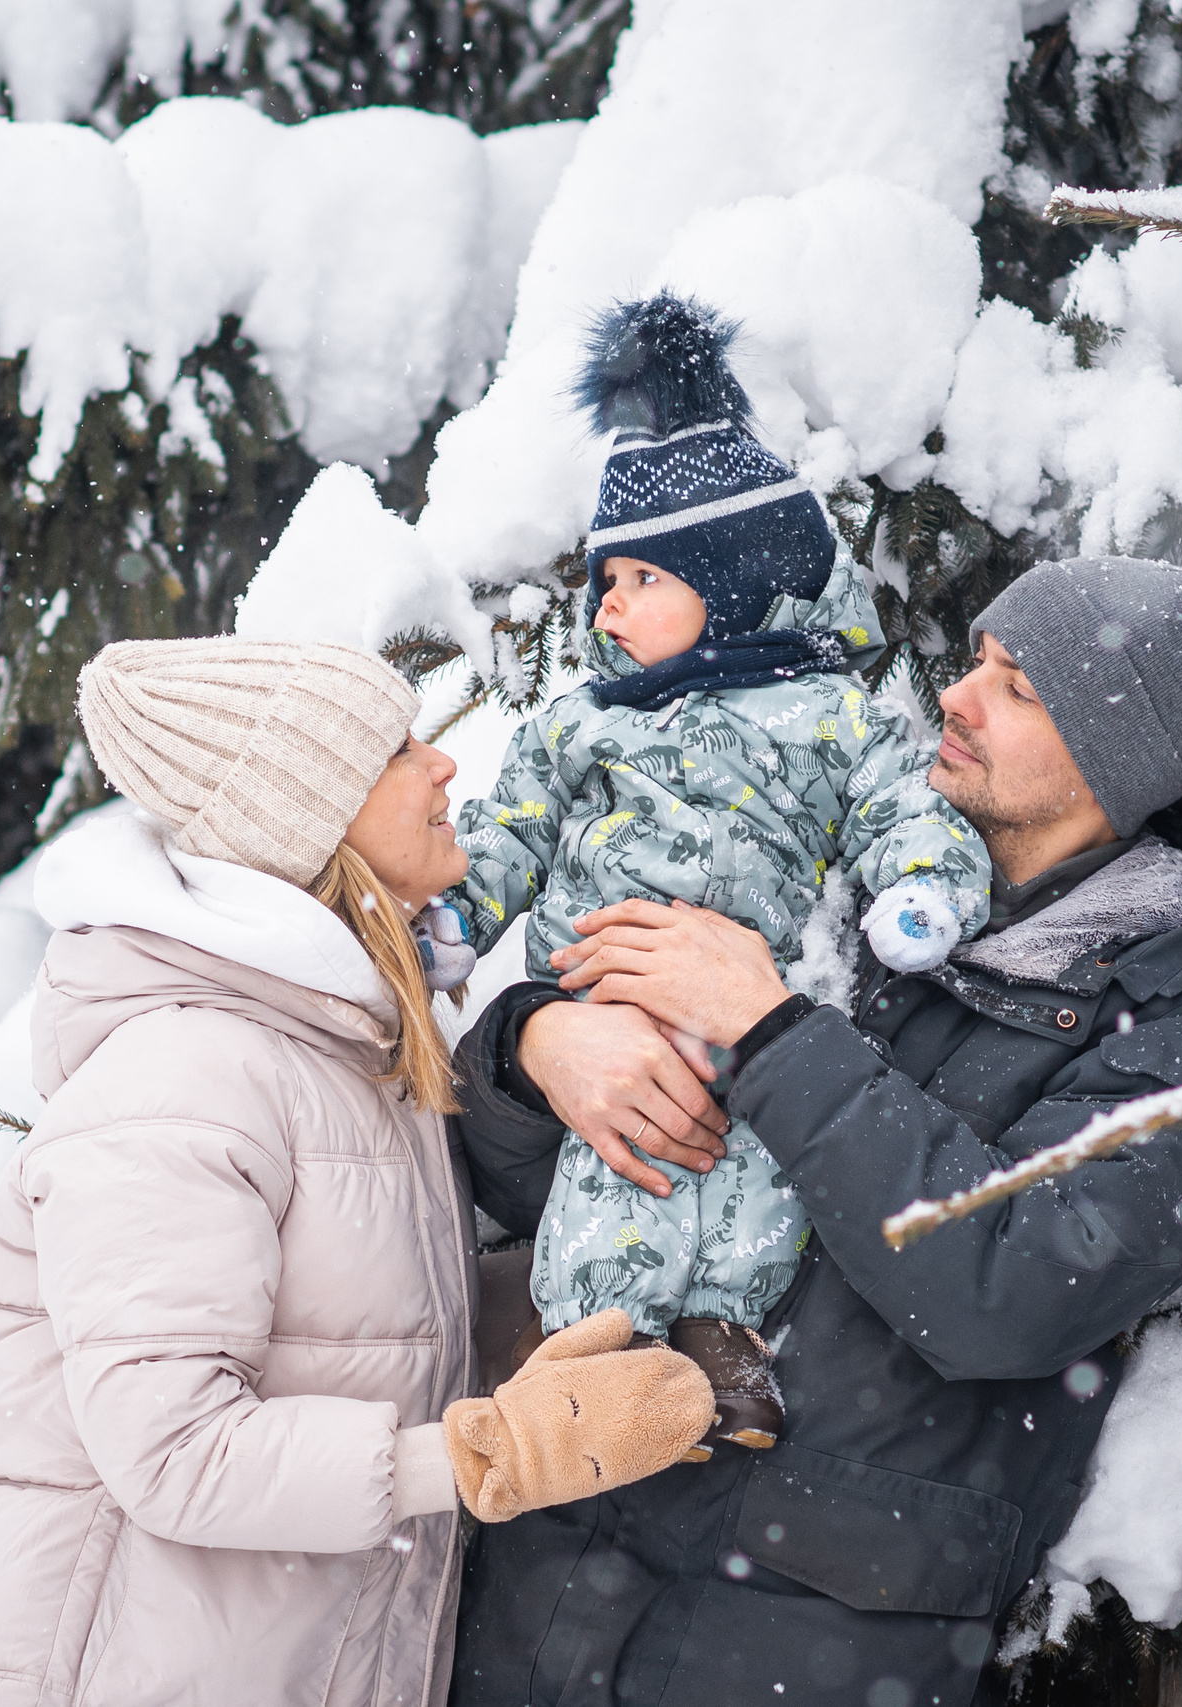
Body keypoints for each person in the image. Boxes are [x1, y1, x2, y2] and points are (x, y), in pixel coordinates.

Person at [449, 557, 1182, 1706]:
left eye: (1021, 688)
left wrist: (773, 1029)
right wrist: (533, 1048)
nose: (955, 696)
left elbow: (1008, 1290)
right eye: (976, 662)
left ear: (1117, 753)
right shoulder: (829, 867)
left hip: (804, 1635)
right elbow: (526, 1191)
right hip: (564, 1572)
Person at [0, 637, 714, 1707]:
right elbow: (178, 1455)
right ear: (309, 817)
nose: (444, 768)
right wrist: (498, 1453)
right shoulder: (187, 1078)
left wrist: (566, 1302)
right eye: (396, 751)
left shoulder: (333, 1054)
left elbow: (337, 1330)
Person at [446, 294, 992, 1453]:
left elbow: (904, 803)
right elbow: (507, 832)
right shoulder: (580, 723)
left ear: (732, 579)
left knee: (752, 1172)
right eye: (605, 582)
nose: (608, 606)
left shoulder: (835, 713)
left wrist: (919, 893)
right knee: (623, 1167)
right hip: (609, 1002)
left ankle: (722, 1353)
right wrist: (455, 918)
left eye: (641, 579)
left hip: (749, 999)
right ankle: (600, 1356)